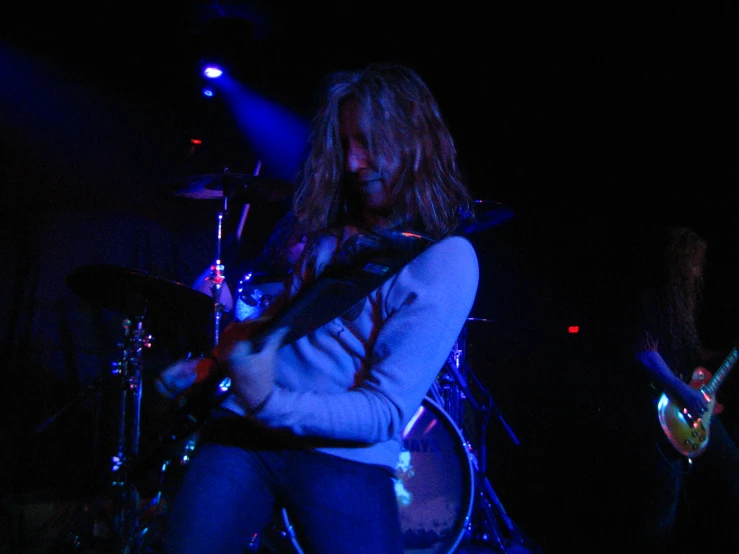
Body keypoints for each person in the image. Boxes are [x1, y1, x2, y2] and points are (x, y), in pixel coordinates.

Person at [153, 62, 479, 554]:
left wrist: (269, 402)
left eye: (368, 142)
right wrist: (209, 365)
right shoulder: (333, 236)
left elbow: (385, 413)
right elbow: (276, 324)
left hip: (343, 456)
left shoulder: (445, 260)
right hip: (246, 434)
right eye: (346, 143)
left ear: (414, 139)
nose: (352, 163)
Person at [601, 224, 739, 552]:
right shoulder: (649, 298)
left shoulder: (681, 310)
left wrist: (724, 354)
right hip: (659, 413)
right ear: (679, 261)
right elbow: (644, 352)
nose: (699, 271)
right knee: (660, 509)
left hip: (687, 405)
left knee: (731, 470)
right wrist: (682, 391)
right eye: (695, 262)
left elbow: (687, 357)